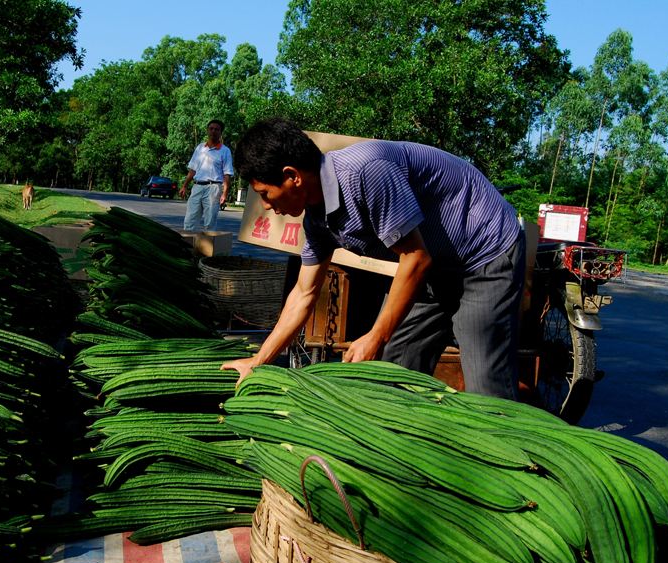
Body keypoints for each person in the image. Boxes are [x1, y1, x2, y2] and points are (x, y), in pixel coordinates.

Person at [221, 118, 526, 399]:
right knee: (395, 363)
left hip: (483, 251)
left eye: (264, 193)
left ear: (292, 177)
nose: (266, 205)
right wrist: (258, 361)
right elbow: (304, 293)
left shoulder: (367, 171)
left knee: (486, 385)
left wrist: (375, 336)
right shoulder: (316, 220)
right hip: (434, 262)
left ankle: (518, 453)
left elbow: (415, 259)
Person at [180, 119, 233, 231]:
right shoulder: (200, 148)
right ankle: (189, 247)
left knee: (209, 222)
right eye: (211, 128)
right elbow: (192, 170)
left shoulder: (225, 151)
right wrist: (184, 186)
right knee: (190, 220)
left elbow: (227, 174)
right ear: (207, 130)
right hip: (197, 186)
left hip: (213, 188)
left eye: (217, 129)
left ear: (220, 133)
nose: (213, 131)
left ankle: (206, 248)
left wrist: (224, 194)